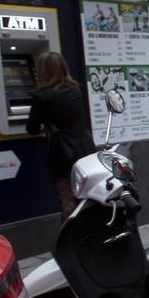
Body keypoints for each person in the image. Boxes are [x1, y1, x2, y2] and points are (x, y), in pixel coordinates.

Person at [26, 52, 96, 220]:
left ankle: (70, 241)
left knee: (67, 201)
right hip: (84, 148)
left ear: (42, 71)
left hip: (62, 153)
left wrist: (44, 126)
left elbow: (32, 128)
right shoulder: (75, 89)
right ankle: (88, 238)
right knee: (85, 197)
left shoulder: (41, 96)